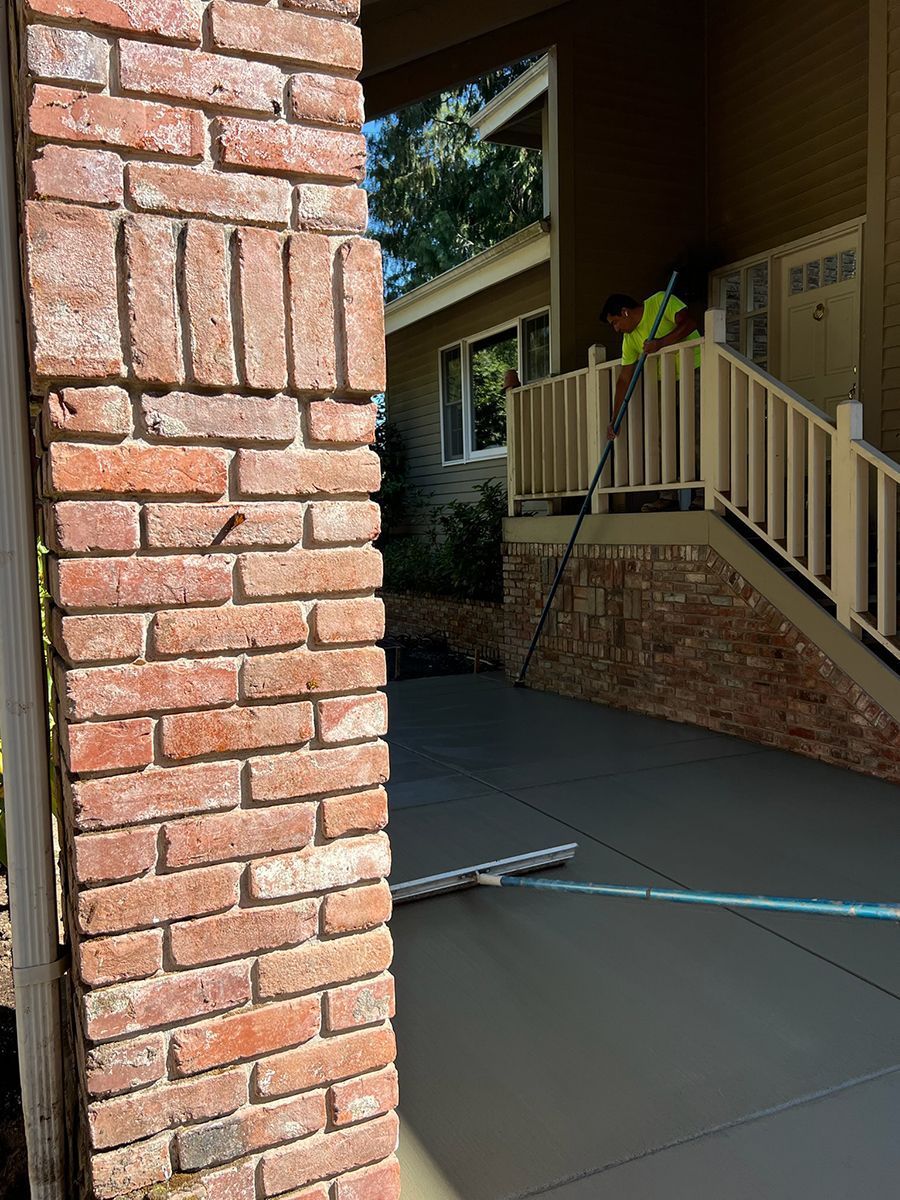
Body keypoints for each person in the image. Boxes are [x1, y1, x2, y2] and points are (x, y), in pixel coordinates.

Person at [601, 290, 701, 512]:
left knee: (696, 433)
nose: (616, 329)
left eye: (615, 322)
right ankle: (668, 495)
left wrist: (661, 343)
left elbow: (690, 323)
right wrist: (614, 418)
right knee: (663, 436)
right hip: (665, 383)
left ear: (625, 312)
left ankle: (703, 494)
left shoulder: (659, 302)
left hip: (694, 370)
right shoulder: (630, 339)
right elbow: (624, 378)